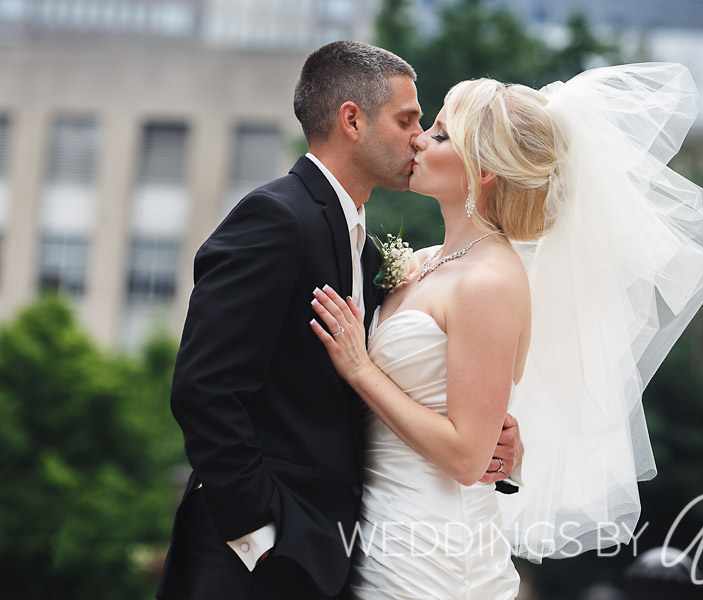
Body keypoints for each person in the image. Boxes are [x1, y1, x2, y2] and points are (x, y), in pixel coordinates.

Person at [311, 64, 703, 598]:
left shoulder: (491, 281)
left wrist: (361, 369)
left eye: (439, 134)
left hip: (434, 557)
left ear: (482, 169)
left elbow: (466, 456)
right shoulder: (426, 263)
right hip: (376, 532)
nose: (418, 139)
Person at [156, 41, 521, 600]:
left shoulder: (374, 256)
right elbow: (205, 390)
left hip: (352, 551)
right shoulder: (275, 219)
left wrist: (500, 441)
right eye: (407, 120)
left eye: (427, 125)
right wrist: (258, 533)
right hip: (254, 561)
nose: (419, 137)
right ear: (352, 120)